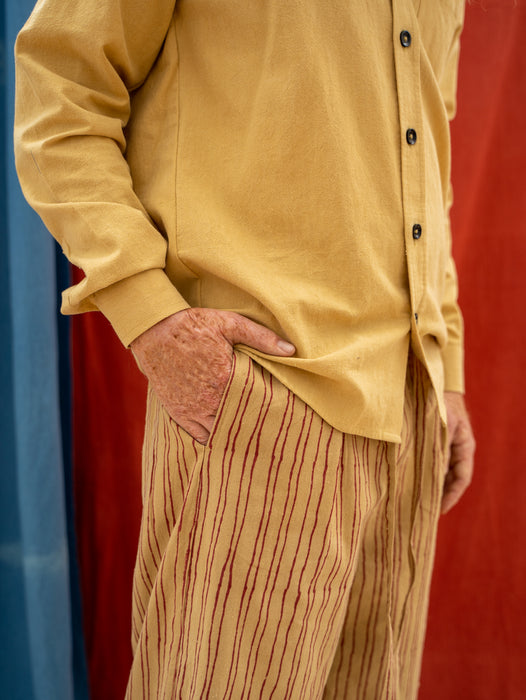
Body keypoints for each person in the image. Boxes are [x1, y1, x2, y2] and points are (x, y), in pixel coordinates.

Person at [14, 0, 475, 697]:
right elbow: (60, 86)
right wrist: (151, 314)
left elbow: (427, 164)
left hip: (411, 407)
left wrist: (448, 366)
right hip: (261, 402)